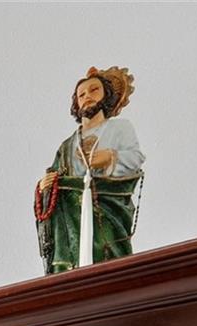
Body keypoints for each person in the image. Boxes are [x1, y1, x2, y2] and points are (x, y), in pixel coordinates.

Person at [35, 66, 145, 273]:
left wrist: (110, 157)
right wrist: (44, 186)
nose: (87, 97)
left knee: (108, 258)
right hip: (70, 222)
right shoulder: (67, 145)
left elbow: (135, 160)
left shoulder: (119, 128)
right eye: (81, 94)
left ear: (106, 95)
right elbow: (54, 173)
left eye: (94, 90)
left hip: (106, 208)